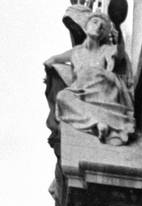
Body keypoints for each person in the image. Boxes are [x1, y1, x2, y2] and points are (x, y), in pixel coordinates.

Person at [44, 11, 135, 146]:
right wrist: (52, 73)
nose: (98, 27)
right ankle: (98, 122)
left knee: (94, 73)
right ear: (86, 27)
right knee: (62, 96)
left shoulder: (106, 49)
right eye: (95, 22)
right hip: (81, 91)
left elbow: (120, 52)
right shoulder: (76, 51)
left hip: (102, 87)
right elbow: (51, 60)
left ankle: (109, 124)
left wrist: (119, 29)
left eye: (102, 27)